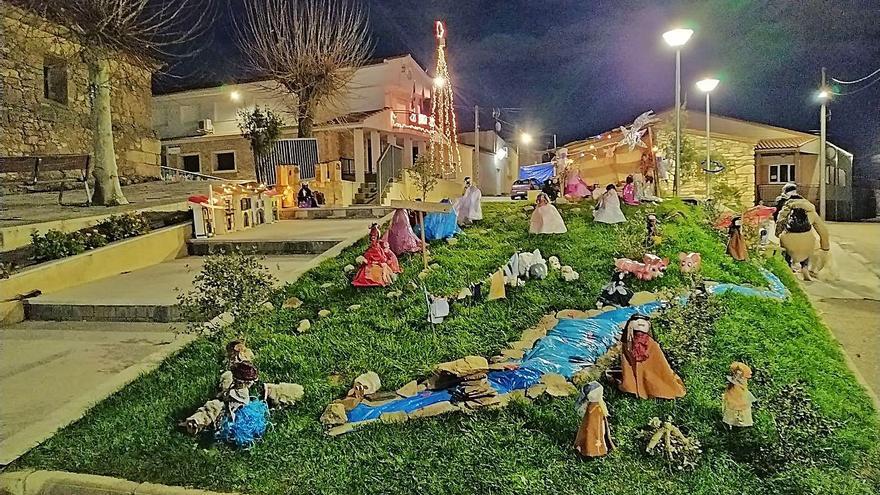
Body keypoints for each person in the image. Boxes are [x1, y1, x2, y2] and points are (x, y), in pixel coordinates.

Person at [616, 314, 686, 399]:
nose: (639, 324)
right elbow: (626, 364)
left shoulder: (651, 344)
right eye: (637, 321)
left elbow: (661, 364)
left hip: (654, 378)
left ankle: (651, 388)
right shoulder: (628, 344)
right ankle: (635, 386)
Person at [775, 191, 830, 281]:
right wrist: (825, 247)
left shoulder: (786, 210)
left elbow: (778, 228)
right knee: (810, 239)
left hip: (789, 243)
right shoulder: (811, 212)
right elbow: (823, 231)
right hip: (807, 244)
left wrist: (779, 234)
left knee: (784, 245)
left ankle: (788, 267)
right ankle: (804, 267)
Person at [574, 382, 614, 458]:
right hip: (594, 425)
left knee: (598, 434)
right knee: (593, 435)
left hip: (598, 423)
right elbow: (590, 421)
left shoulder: (596, 406)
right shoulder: (593, 408)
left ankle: (597, 448)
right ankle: (592, 450)